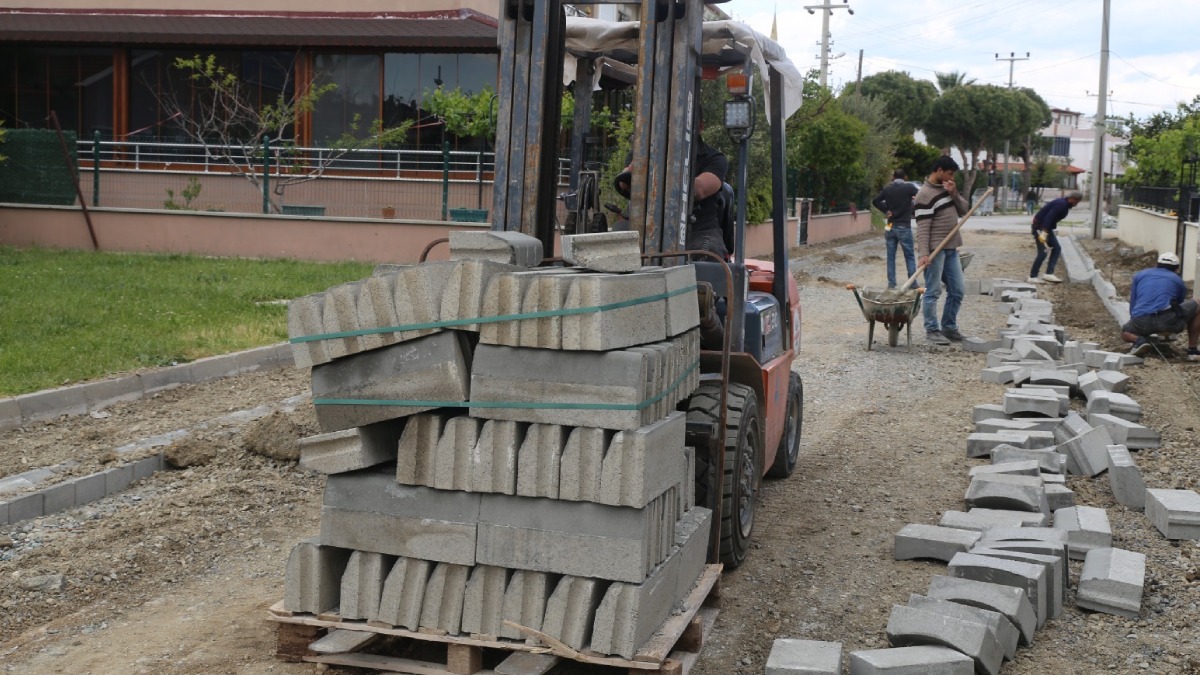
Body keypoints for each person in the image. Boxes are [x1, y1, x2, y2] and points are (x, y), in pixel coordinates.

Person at [616, 138, 730, 258]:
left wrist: (659, 177)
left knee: (708, 254)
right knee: (614, 246)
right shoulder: (641, 152)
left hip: (697, 230)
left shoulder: (714, 158)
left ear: (700, 126)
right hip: (647, 226)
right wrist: (631, 172)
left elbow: (700, 189)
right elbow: (623, 181)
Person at [914, 156, 969, 345]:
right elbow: (922, 228)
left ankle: (949, 327)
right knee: (933, 290)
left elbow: (964, 210)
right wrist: (923, 254)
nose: (951, 178)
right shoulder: (924, 195)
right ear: (939, 170)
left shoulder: (948, 189)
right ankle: (932, 329)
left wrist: (954, 193)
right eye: (949, 173)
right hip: (935, 251)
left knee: (958, 290)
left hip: (951, 248)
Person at [1121, 252, 1200, 360]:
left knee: (1125, 333)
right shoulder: (1177, 280)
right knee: (1198, 303)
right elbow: (1179, 306)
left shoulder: (1140, 275)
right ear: (1176, 268)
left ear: (1157, 264)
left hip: (1141, 321)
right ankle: (1192, 350)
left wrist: (1135, 322)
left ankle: (1138, 340)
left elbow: (1134, 301)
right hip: (1167, 321)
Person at [871, 169, 919, 289]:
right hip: (904, 226)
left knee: (891, 257)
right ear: (905, 177)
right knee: (909, 256)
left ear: (893, 177)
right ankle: (912, 283)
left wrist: (886, 210)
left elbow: (875, 201)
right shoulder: (909, 188)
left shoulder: (887, 189)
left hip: (890, 226)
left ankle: (891, 284)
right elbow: (922, 196)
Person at [1028, 190, 1082, 284]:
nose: (1077, 204)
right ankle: (1033, 276)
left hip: (1045, 228)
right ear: (1073, 199)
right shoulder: (1061, 204)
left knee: (1056, 248)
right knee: (1043, 252)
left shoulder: (1063, 204)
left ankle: (1049, 274)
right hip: (1040, 227)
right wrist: (1044, 232)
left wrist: (1046, 230)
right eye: (1077, 201)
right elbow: (1049, 217)